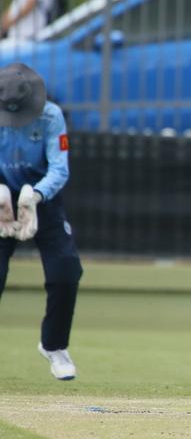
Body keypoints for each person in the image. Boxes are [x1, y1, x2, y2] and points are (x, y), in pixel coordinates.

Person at [0, 63, 83, 380]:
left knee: (66, 271)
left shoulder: (51, 115)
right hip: (1, 199)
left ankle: (54, 346)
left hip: (41, 199)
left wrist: (34, 196)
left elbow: (59, 169)